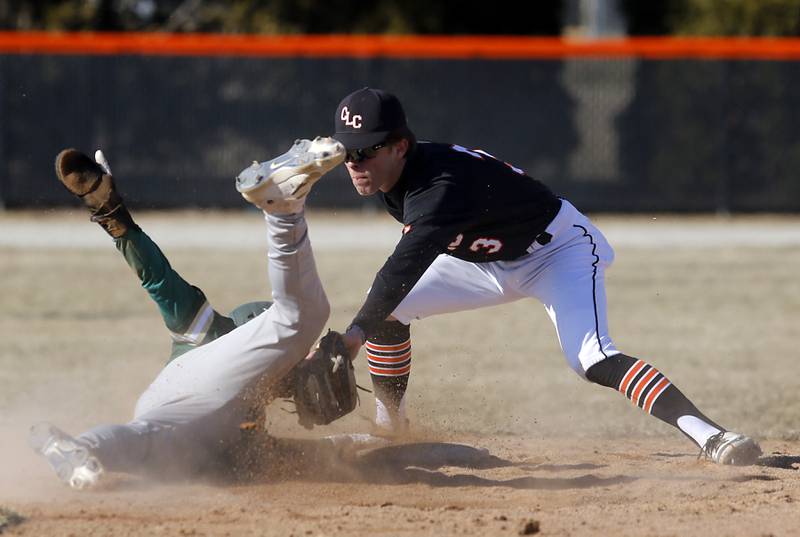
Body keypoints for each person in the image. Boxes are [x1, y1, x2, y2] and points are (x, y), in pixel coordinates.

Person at [331, 87, 762, 466]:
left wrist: (352, 338)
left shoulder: (438, 186)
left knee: (592, 359)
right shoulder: (392, 172)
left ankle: (712, 435)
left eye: (365, 150)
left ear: (400, 146)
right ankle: (391, 428)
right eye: (346, 152)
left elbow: (403, 267)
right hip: (485, 260)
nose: (354, 162)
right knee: (386, 312)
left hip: (557, 251)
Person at [30, 137, 345, 489]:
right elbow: (157, 278)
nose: (295, 366)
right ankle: (284, 207)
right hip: (194, 391)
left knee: (156, 449)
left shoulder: (238, 409)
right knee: (302, 317)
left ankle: (80, 451)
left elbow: (265, 456)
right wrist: (112, 214)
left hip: (176, 418)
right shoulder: (206, 330)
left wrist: (348, 452)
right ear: (252, 331)